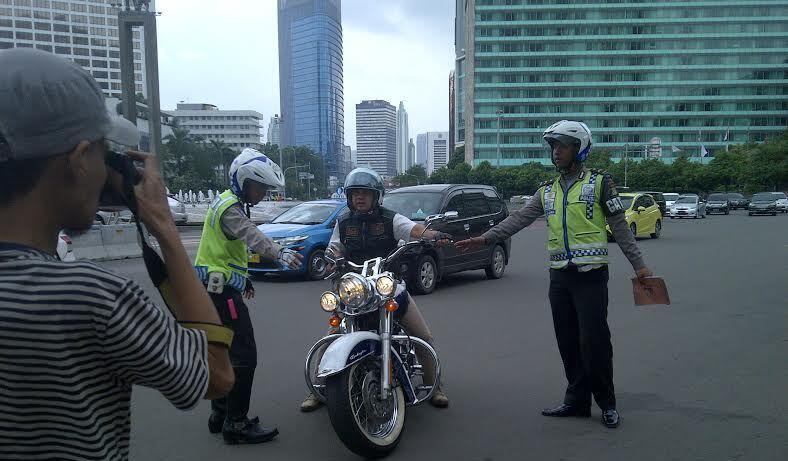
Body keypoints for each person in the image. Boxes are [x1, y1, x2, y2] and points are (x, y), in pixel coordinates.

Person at [0, 49, 233, 461]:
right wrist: (164, 229)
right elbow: (216, 375)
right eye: (106, 155)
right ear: (80, 160)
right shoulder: (88, 297)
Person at [457, 120, 654, 428]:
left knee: (595, 341)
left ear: (579, 148)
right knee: (567, 341)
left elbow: (619, 226)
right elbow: (519, 219)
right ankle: (576, 401)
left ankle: (606, 402)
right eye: (553, 147)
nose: (556, 152)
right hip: (560, 278)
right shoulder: (547, 191)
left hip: (591, 276)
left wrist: (639, 266)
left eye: (562, 146)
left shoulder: (600, 183)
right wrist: (485, 238)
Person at [300, 167, 452, 412]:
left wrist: (432, 234)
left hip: (386, 287)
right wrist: (331, 259)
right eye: (355, 193)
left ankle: (434, 386)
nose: (359, 197)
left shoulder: (390, 219)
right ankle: (317, 388)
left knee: (423, 336)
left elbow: (413, 230)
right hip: (355, 290)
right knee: (329, 338)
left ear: (376, 196)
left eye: (365, 193)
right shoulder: (344, 222)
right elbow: (335, 248)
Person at [195, 148, 303, 444]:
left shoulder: (225, 202)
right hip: (221, 294)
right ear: (243, 182)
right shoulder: (232, 208)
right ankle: (237, 423)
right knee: (244, 356)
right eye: (260, 187)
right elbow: (251, 235)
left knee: (222, 352)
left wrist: (244, 282)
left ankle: (220, 415)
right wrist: (279, 252)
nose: (263, 193)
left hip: (216, 289)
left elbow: (230, 251)